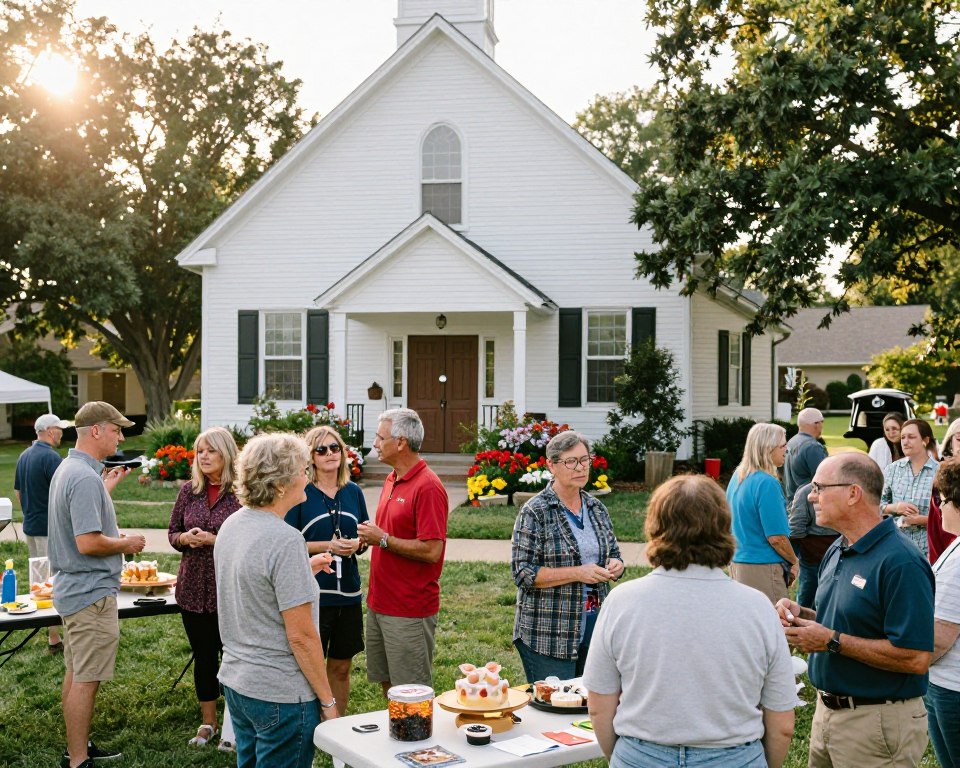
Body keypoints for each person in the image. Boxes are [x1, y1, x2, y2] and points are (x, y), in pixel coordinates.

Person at [584, 475, 796, 767]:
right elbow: (782, 720)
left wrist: (624, 758)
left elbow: (598, 707)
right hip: (733, 755)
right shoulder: (757, 606)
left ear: (656, 526)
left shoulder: (622, 602)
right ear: (723, 526)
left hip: (642, 754)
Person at [777, 453, 934, 768]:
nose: (810, 495)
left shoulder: (901, 562)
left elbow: (916, 658)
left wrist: (831, 641)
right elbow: (842, 621)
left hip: (876, 723)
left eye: (819, 487)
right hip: (828, 715)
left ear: (853, 493)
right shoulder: (839, 546)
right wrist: (802, 615)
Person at [215, 432, 339, 767]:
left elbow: (250, 586)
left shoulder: (232, 525)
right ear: (281, 484)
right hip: (280, 695)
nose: (308, 476)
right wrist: (328, 702)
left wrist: (303, 569)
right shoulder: (285, 540)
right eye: (303, 470)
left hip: (238, 684)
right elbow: (301, 637)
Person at [48, 402, 147, 768]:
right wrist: (126, 543)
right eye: (116, 430)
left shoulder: (70, 469)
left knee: (76, 675)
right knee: (86, 681)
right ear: (96, 431)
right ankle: (78, 761)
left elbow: (85, 530)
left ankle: (79, 747)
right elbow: (87, 543)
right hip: (89, 595)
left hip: (74, 592)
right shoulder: (84, 477)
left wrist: (106, 494)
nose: (120, 437)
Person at [511, 430, 624, 682]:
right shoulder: (535, 512)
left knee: (587, 709)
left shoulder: (596, 508)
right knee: (552, 711)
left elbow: (614, 552)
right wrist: (578, 573)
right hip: (550, 634)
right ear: (551, 465)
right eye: (570, 462)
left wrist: (617, 565)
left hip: (594, 630)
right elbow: (522, 572)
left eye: (584, 460)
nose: (580, 468)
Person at [357, 408, 449, 694]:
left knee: (412, 693)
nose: (374, 444)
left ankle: (418, 739)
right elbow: (391, 535)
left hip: (408, 609)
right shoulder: (392, 478)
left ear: (400, 443)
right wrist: (369, 539)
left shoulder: (428, 487)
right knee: (389, 688)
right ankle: (398, 736)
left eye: (380, 437)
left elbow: (433, 550)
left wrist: (382, 538)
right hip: (380, 602)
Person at [284, 425, 368, 716]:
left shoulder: (354, 491)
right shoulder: (301, 493)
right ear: (310, 457)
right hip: (313, 592)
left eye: (335, 448)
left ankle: (337, 725)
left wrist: (358, 543)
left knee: (342, 665)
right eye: (322, 450)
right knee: (311, 664)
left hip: (349, 593)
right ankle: (311, 721)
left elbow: (364, 537)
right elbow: (289, 542)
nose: (330, 454)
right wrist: (327, 546)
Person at [167, 427, 240, 749]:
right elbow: (172, 532)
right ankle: (208, 722)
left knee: (235, 657)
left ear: (226, 454)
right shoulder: (189, 491)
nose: (205, 456)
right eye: (200, 451)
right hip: (193, 589)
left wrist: (215, 539)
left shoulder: (242, 492)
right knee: (205, 657)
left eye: (211, 450)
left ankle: (234, 727)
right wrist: (184, 539)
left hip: (232, 589)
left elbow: (250, 537)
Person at [14, 412, 70, 652]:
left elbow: (18, 493)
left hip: (31, 526)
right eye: (59, 429)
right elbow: (64, 495)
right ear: (49, 431)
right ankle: (54, 636)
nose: (61, 433)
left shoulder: (24, 456)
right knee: (56, 580)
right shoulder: (52, 458)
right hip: (50, 529)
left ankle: (49, 631)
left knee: (39, 580)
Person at [726, 422, 798, 604]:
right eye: (783, 445)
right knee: (774, 625)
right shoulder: (767, 483)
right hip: (762, 568)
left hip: (738, 564)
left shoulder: (738, 477)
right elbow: (777, 538)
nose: (786, 450)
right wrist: (794, 561)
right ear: (768, 448)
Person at [926, 457, 960, 768]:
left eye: (943, 500)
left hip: (952, 688)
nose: (938, 507)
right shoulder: (956, 544)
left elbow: (940, 638)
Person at [880, 417, 940, 557]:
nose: (905, 442)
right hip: (897, 548)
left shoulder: (940, 472)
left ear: (925, 440)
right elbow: (876, 506)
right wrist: (895, 507)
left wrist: (924, 520)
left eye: (911, 437)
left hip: (930, 550)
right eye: (903, 437)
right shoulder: (892, 470)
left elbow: (951, 516)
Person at [788, 481, 838, 610]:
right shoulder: (805, 492)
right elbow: (796, 528)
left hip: (840, 556)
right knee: (807, 598)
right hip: (812, 556)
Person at [929, 421, 960, 563]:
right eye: (959, 439)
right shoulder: (943, 475)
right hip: (947, 552)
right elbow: (934, 526)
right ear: (950, 442)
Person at [783, 407, 827, 500]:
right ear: (816, 424)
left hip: (792, 503)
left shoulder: (791, 442)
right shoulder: (813, 447)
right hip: (808, 504)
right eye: (821, 422)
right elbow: (824, 480)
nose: (822, 426)